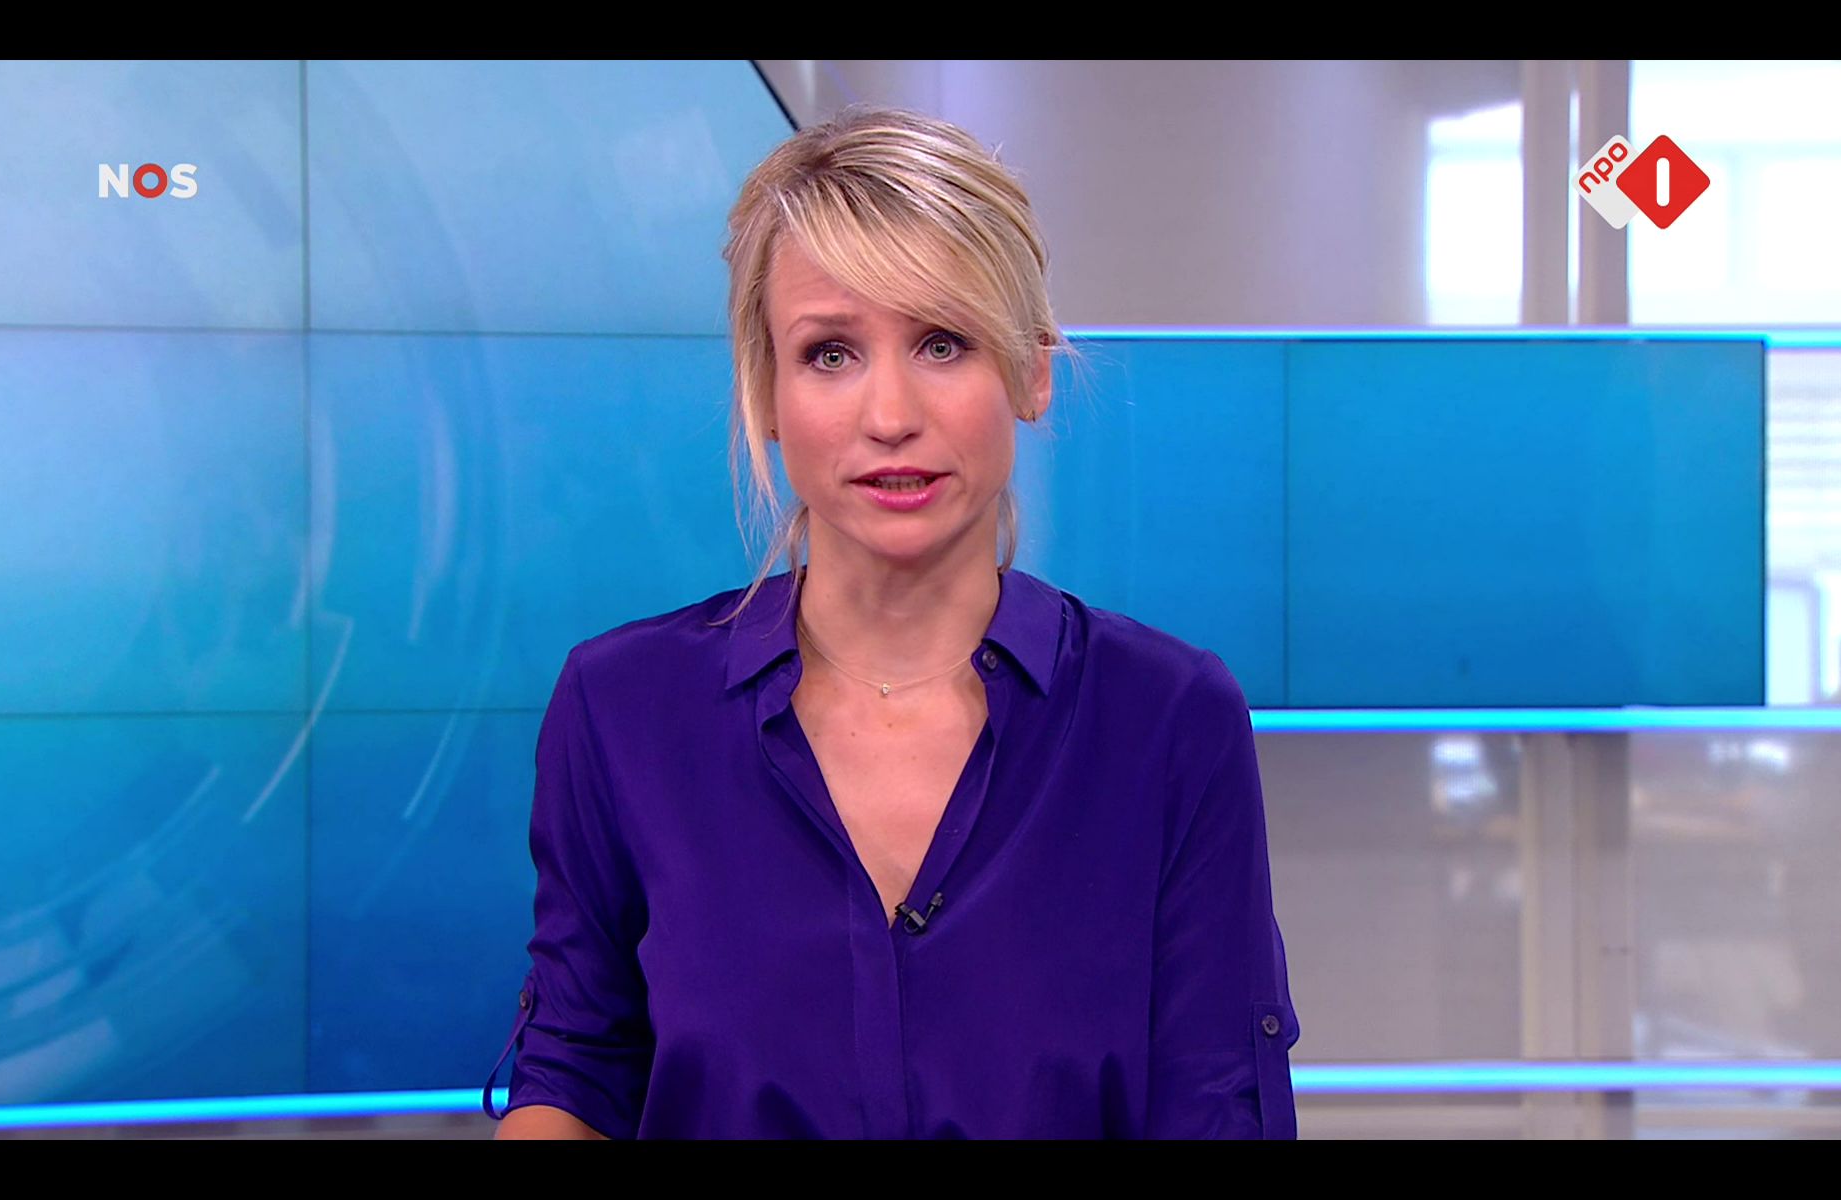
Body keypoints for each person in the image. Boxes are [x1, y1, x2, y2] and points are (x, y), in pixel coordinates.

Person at [487, 103, 1299, 1139]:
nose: (890, 416)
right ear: (766, 392)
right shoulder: (621, 711)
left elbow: (1216, 1104)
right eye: (831, 353)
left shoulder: (1169, 720)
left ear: (1032, 371)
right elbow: (575, 1073)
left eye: (942, 342)